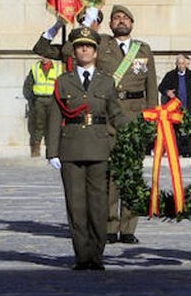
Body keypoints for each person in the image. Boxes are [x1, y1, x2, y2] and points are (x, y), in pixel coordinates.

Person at [34, 3, 158, 245]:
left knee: (131, 173)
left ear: (132, 23)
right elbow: (47, 49)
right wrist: (67, 24)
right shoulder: (100, 45)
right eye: (116, 18)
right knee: (109, 175)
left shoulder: (144, 49)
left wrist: (150, 123)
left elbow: (151, 89)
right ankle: (110, 225)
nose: (121, 21)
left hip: (134, 119)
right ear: (109, 24)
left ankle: (129, 226)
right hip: (106, 120)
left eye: (126, 18)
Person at [46, 26, 129, 270]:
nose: (85, 49)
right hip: (71, 148)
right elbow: (54, 117)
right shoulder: (63, 82)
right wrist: (52, 151)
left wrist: (137, 130)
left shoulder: (106, 82)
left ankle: (97, 254)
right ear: (74, 51)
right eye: (81, 46)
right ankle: (82, 256)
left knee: (98, 204)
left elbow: (115, 113)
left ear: (95, 52)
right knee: (76, 204)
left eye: (89, 46)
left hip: (99, 148)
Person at [159, 54, 191, 155]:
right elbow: (161, 87)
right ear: (176, 64)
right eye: (179, 64)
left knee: (187, 130)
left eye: (183, 64)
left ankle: (188, 151)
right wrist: (167, 92)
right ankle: (176, 150)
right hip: (174, 109)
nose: (181, 66)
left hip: (187, 107)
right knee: (175, 130)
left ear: (186, 64)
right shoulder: (170, 75)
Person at [23, 56, 63, 157]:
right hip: (39, 100)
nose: (44, 58)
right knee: (38, 125)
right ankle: (36, 149)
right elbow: (28, 85)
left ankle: (51, 150)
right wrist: (32, 99)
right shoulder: (35, 68)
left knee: (52, 126)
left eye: (47, 55)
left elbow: (62, 84)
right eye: (43, 55)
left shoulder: (58, 68)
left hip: (53, 100)